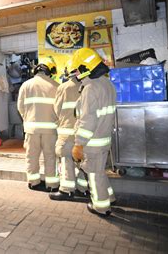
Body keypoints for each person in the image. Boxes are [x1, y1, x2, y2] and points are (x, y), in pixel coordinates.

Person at [70, 48, 116, 217]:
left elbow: (87, 120)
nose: (75, 74)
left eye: (76, 70)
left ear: (84, 68)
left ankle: (101, 206)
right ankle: (109, 197)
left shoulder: (90, 87)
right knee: (99, 170)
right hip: (104, 139)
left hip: (92, 142)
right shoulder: (107, 83)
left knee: (94, 174)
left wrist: (79, 143)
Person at [17, 57, 60, 192]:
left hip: (32, 129)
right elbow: (59, 110)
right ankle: (52, 185)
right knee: (50, 156)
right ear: (50, 71)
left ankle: (33, 182)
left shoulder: (26, 85)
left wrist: (28, 119)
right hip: (50, 130)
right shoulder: (56, 86)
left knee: (32, 156)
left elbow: (20, 107)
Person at [49, 60, 89, 201]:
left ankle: (66, 190)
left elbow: (57, 109)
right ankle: (83, 189)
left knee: (67, 160)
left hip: (67, 132)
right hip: (85, 132)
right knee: (83, 161)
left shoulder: (64, 87)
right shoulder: (89, 87)